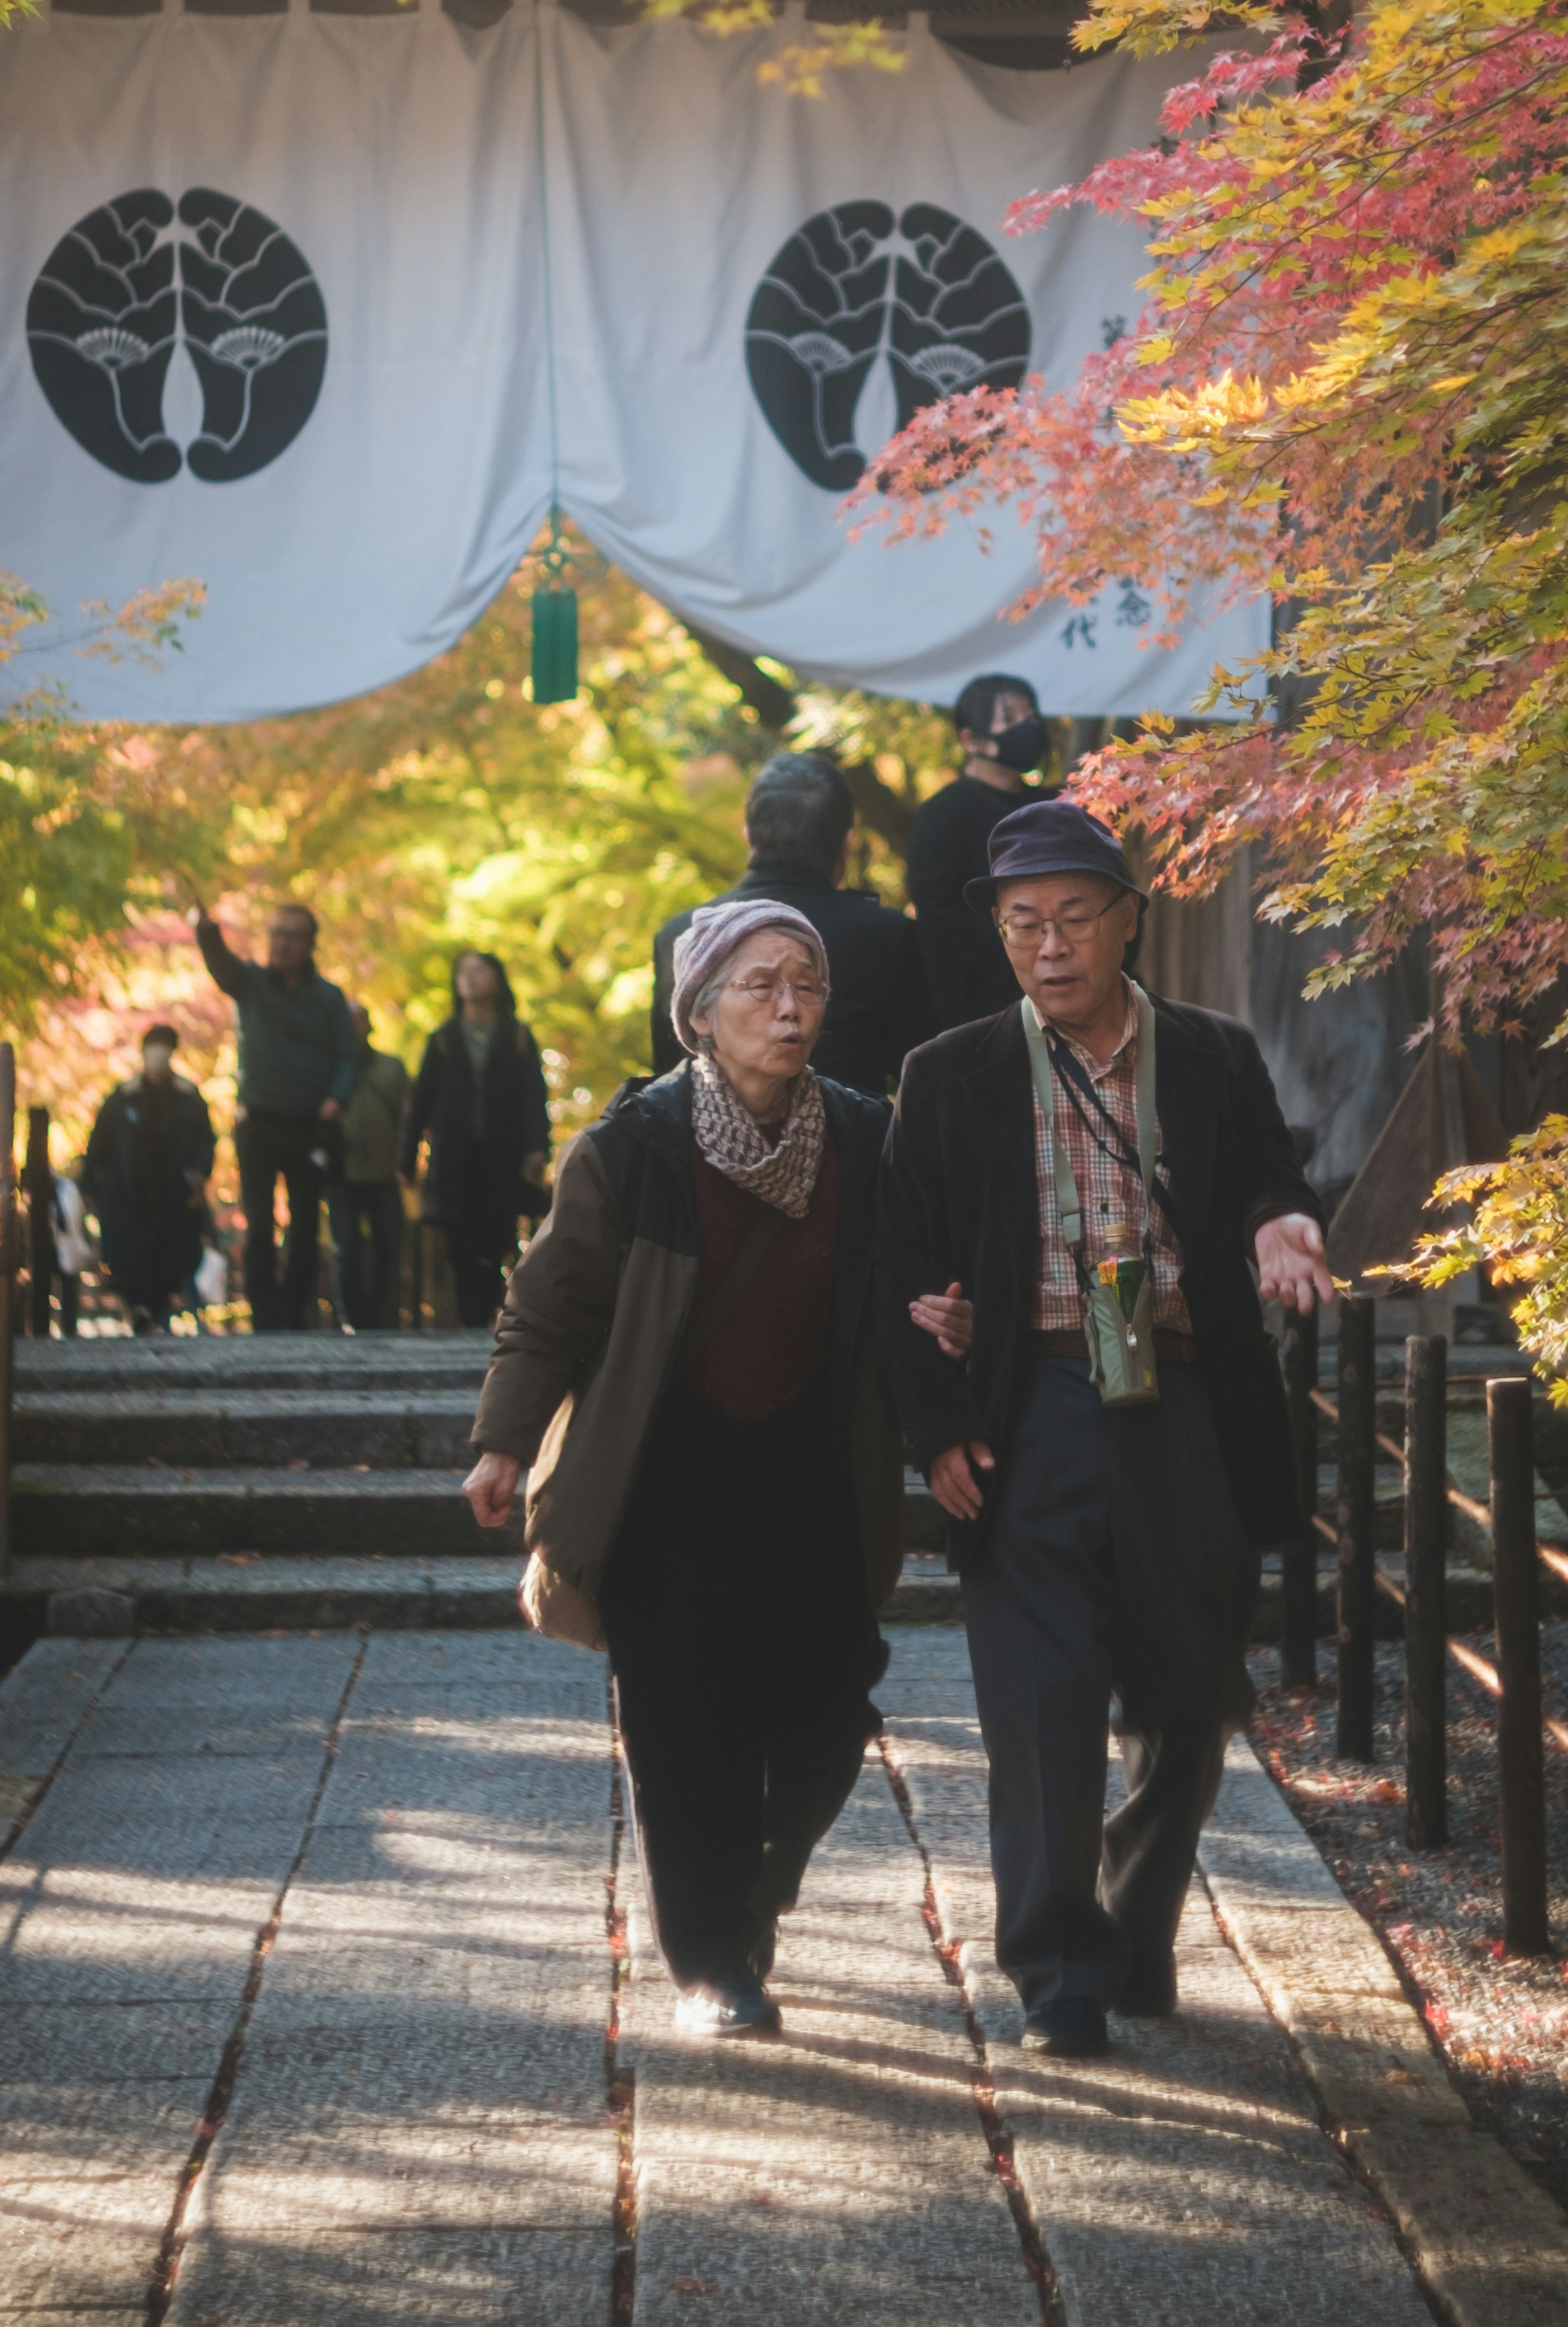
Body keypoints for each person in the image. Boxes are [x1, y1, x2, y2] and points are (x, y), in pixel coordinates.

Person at [874, 797, 1335, 2060]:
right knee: (1043, 1701)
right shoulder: (950, 1072)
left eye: (1077, 917)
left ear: (1130, 919)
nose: (1053, 946)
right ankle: (1059, 1973)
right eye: (1026, 923)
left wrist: (1281, 1222)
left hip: (1183, 1402)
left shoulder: (1213, 1052)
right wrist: (939, 1432)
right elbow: (899, 1267)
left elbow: (1264, 1178)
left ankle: (1134, 1913)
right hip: (1028, 1410)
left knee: (1194, 1694)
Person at [465, 900, 907, 2039]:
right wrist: (505, 1444)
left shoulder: (866, 1137)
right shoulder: (633, 1150)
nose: (790, 1006)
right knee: (684, 1726)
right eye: (760, 985)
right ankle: (710, 1962)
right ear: (699, 1014)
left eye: (806, 982)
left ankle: (752, 1906)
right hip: (666, 1478)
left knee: (828, 1710)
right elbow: (544, 1312)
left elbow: (914, 1285)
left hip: (814, 1466)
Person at [650, 753, 933, 1098]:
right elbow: (923, 1073)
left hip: (705, 1147)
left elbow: (667, 1077)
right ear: (846, 841)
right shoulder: (888, 935)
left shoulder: (679, 935)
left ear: (748, 835)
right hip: (855, 1146)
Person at [191, 899, 364, 1330]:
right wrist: (208, 933)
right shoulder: (252, 983)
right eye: (277, 933)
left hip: (310, 1124)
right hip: (260, 1123)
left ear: (310, 945)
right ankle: (265, 1313)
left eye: (292, 935)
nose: (282, 943)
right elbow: (222, 967)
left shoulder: (327, 998)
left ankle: (296, 1310)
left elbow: (348, 1054)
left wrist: (335, 1099)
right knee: (259, 1220)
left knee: (306, 1224)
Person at [403, 953, 553, 1326]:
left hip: (503, 1155)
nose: (469, 979)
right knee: (459, 1238)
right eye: (462, 973)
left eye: (478, 971)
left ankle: (487, 1310)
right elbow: (421, 1101)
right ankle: (470, 1316)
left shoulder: (516, 1035)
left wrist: (538, 1147)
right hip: (455, 1157)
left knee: (498, 1233)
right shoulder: (443, 1039)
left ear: (497, 981)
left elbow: (535, 1094)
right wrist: (406, 1158)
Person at [904, 675, 1052, 1030]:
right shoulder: (942, 814)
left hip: (1067, 997)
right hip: (981, 1012)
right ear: (971, 739)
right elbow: (941, 916)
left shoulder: (1055, 806)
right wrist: (1023, 957)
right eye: (1010, 717)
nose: (1027, 726)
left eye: (1030, 715)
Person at [81, 1024, 215, 1333]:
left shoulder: (189, 1099)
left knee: (170, 1258)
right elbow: (99, 1144)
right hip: (127, 1194)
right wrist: (89, 1186)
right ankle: (138, 1307)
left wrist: (198, 1172)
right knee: (129, 1256)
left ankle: (157, 1311)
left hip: (173, 1194)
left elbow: (205, 1142)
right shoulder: (123, 1099)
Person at [327, 1011, 411, 1332]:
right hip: (341, 1175)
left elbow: (408, 1116)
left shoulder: (392, 1068)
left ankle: (385, 1319)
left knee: (387, 1250)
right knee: (346, 1250)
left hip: (385, 1174)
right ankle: (354, 1320)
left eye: (359, 1020)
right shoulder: (327, 1069)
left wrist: (406, 1162)